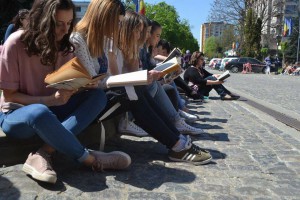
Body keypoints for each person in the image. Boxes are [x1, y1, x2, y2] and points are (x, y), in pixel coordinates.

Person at [0, 0, 131, 184]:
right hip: (17, 113)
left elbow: (63, 86)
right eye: (58, 24)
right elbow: (10, 96)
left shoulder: (65, 46)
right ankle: (90, 159)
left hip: (53, 109)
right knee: (40, 112)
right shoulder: (15, 43)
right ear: (42, 21)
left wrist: (79, 86)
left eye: (69, 23)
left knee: (97, 97)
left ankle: (43, 152)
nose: (65, 30)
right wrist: (49, 100)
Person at [70, 5, 212, 165]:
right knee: (133, 90)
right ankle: (177, 144)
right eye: (116, 23)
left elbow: (106, 78)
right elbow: (94, 82)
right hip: (90, 103)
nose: (118, 28)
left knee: (137, 88)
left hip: (102, 97)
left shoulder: (102, 41)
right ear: (103, 18)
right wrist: (135, 77)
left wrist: (139, 77)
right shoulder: (79, 40)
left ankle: (178, 139)